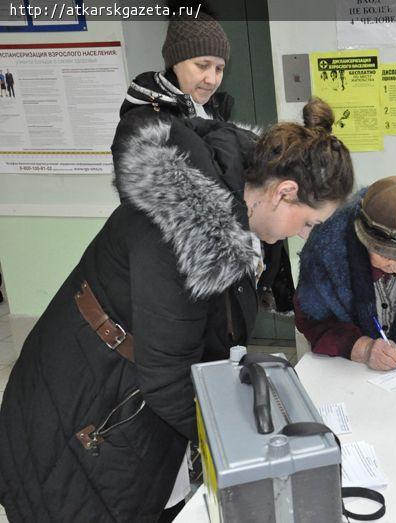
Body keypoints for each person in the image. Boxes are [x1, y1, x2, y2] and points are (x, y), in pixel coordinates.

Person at [0, 98, 354, 521]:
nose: (302, 234)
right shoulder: (184, 225)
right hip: (82, 402)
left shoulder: (236, 199)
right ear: (285, 192)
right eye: (308, 223)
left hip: (124, 385)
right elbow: (168, 380)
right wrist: (239, 450)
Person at [116, 9, 296, 314]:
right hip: (183, 273)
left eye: (219, 68)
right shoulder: (145, 124)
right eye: (202, 65)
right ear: (175, 60)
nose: (211, 79)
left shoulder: (209, 111)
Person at [295, 176, 396, 371]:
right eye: (387, 256)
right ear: (364, 240)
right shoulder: (328, 247)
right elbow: (310, 318)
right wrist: (363, 348)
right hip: (341, 367)